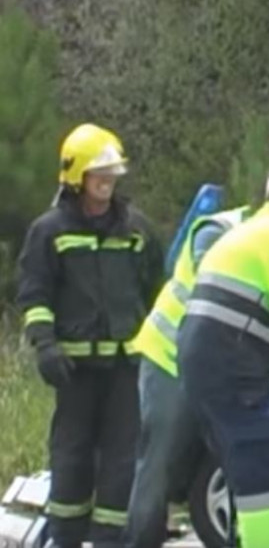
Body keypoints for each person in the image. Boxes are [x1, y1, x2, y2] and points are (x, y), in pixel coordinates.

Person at [16, 123, 164, 548]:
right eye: (99, 174)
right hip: (73, 369)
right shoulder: (50, 231)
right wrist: (45, 345)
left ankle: (109, 539)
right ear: (76, 176)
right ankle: (65, 537)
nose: (107, 182)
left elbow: (157, 290)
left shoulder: (136, 229)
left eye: (112, 174)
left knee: (122, 461)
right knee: (72, 457)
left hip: (125, 367)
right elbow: (35, 293)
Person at [177, 164, 269, 548]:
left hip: (206, 359)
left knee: (241, 466)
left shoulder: (250, 231)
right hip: (231, 364)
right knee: (261, 454)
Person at [124, 204, 252, 548]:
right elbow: (217, 284)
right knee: (159, 463)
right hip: (169, 360)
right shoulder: (217, 230)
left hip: (207, 366)